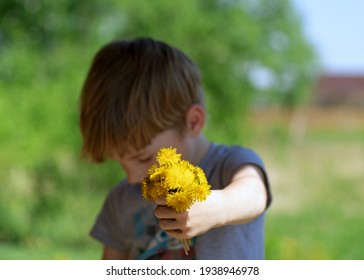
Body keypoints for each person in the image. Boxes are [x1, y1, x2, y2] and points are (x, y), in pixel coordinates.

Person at [79, 37, 272, 260]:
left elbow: (254, 195)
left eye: (143, 158)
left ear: (192, 122)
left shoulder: (230, 166)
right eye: (119, 161)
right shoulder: (121, 200)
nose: (132, 178)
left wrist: (216, 208)